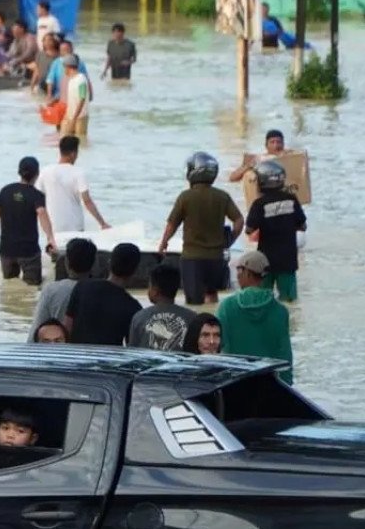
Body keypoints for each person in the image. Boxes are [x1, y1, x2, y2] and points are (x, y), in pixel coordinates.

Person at [158, 152, 245, 305]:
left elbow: (172, 224)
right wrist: (230, 239)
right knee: (212, 295)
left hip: (193, 259)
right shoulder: (222, 196)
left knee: (194, 303)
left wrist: (163, 243)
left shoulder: (185, 197)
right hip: (216, 258)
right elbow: (239, 220)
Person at [216, 251, 294, 384]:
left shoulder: (226, 307)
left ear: (247, 272)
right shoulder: (280, 311)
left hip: (234, 385)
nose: (237, 275)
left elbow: (218, 349)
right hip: (271, 385)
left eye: (239, 269)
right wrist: (287, 385)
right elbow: (285, 354)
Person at [0, 156, 56, 286]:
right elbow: (42, 213)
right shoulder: (37, 195)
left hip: (6, 250)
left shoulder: (5, 191)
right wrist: (50, 238)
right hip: (28, 251)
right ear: (37, 174)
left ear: (19, 172)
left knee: (9, 286)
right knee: (33, 287)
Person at [245, 161, 306, 302]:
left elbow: (249, 230)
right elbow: (302, 226)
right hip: (288, 259)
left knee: (263, 300)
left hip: (265, 260)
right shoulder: (291, 199)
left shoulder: (259, 204)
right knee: (290, 301)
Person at [64, 242, 143, 346]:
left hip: (77, 356)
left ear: (109, 263)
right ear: (135, 270)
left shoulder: (83, 287)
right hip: (108, 360)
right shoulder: (133, 308)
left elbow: (66, 329)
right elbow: (131, 347)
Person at [36, 135, 111, 233]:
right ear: (73, 154)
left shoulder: (45, 171)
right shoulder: (78, 172)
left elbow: (37, 199)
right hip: (75, 227)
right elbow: (87, 201)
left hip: (52, 227)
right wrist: (102, 223)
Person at [29, 237, 96, 339]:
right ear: (93, 264)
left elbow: (36, 332)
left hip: (58, 350)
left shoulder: (51, 290)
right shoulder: (101, 292)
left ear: (66, 263)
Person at [127, 264, 197, 351]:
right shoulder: (193, 318)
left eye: (149, 286)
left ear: (155, 290)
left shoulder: (139, 317)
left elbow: (132, 352)